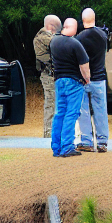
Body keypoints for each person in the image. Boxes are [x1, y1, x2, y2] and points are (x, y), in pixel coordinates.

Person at [49, 17, 90, 157]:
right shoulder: (75, 44)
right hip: (74, 81)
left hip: (59, 81)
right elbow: (84, 66)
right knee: (71, 113)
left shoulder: (54, 41)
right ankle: (67, 146)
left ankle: (56, 147)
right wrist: (87, 79)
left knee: (59, 113)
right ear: (73, 28)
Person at [75, 7, 109, 153]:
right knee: (100, 110)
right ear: (94, 18)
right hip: (99, 78)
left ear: (82, 21)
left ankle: (87, 141)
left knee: (83, 111)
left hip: (83, 79)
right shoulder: (103, 35)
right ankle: (102, 142)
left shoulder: (79, 38)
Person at [32, 15, 61, 139]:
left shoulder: (48, 37)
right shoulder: (43, 37)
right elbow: (59, 44)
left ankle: (52, 132)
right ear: (51, 26)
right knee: (51, 103)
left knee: (55, 103)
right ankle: (48, 133)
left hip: (52, 76)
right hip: (49, 76)